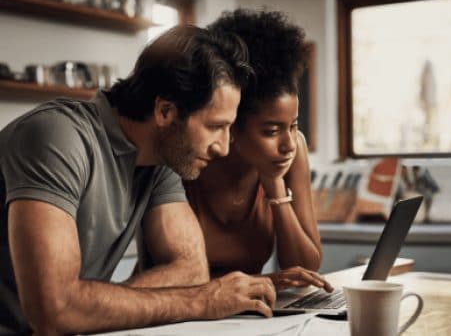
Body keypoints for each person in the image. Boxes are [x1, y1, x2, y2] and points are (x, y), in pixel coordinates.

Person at [0, 25, 276, 335]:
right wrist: (202, 302)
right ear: (165, 111)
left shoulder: (160, 159)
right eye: (215, 127)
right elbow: (56, 309)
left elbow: (191, 270)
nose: (223, 148)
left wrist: (92, 307)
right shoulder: (57, 137)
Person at [140, 10, 333, 293]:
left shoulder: (291, 154)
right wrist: (264, 282)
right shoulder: (187, 158)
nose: (288, 144)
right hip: (175, 315)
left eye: (293, 126)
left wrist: (274, 186)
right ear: (231, 125)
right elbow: (167, 279)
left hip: (244, 318)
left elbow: (306, 268)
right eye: (270, 131)